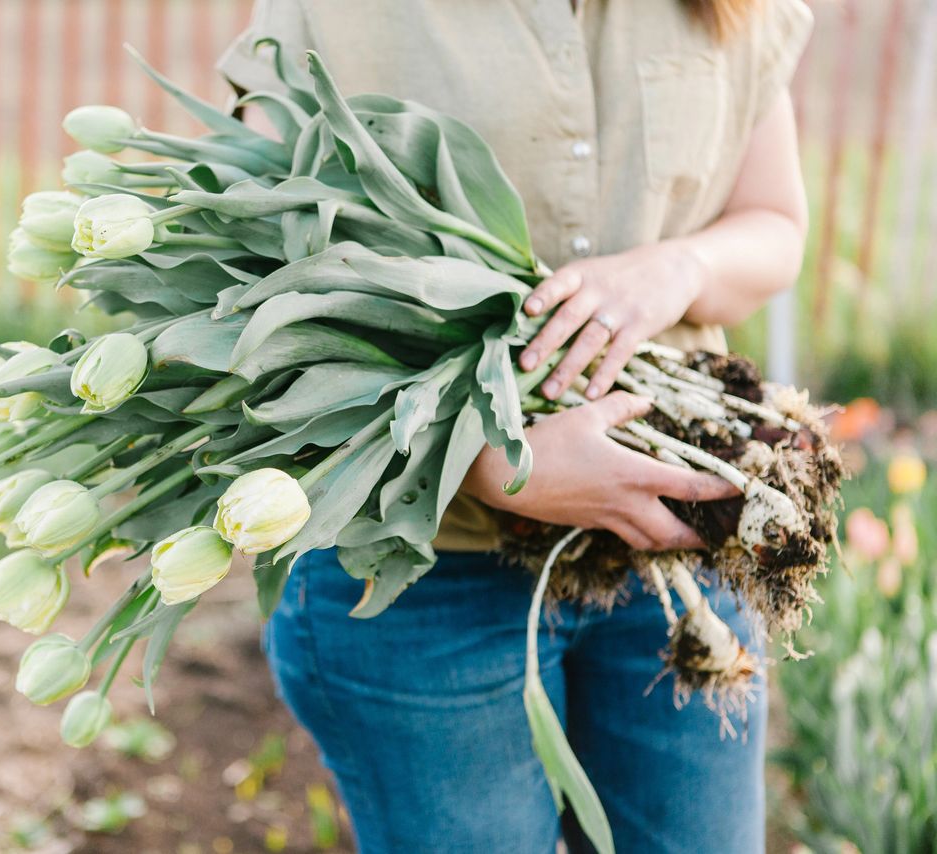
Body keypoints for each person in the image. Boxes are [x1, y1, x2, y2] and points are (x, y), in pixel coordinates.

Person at [218, 1, 813, 851]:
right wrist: (492, 465)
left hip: (678, 553)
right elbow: (261, 284)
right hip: (422, 579)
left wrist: (682, 265)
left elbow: (775, 225)